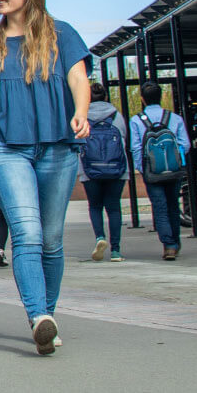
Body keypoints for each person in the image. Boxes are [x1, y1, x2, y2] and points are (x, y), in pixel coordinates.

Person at [0, 0, 93, 356]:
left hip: (57, 145)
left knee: (52, 240)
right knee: (27, 234)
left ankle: (47, 320)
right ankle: (38, 315)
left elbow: (78, 80)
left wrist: (82, 112)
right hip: (5, 146)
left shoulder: (62, 35)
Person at [131, 82, 190, 261]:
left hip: (152, 172)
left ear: (142, 98)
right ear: (161, 96)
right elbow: (185, 144)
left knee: (159, 207)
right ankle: (175, 242)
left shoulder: (136, 120)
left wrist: (143, 169)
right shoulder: (175, 118)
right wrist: (174, 160)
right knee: (173, 205)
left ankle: (168, 245)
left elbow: (135, 148)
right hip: (173, 171)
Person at [79, 83, 128, 262]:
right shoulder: (117, 116)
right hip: (117, 169)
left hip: (90, 169)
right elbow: (124, 138)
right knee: (114, 208)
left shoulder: (82, 115)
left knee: (95, 206)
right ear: (105, 96)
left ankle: (100, 237)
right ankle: (116, 250)